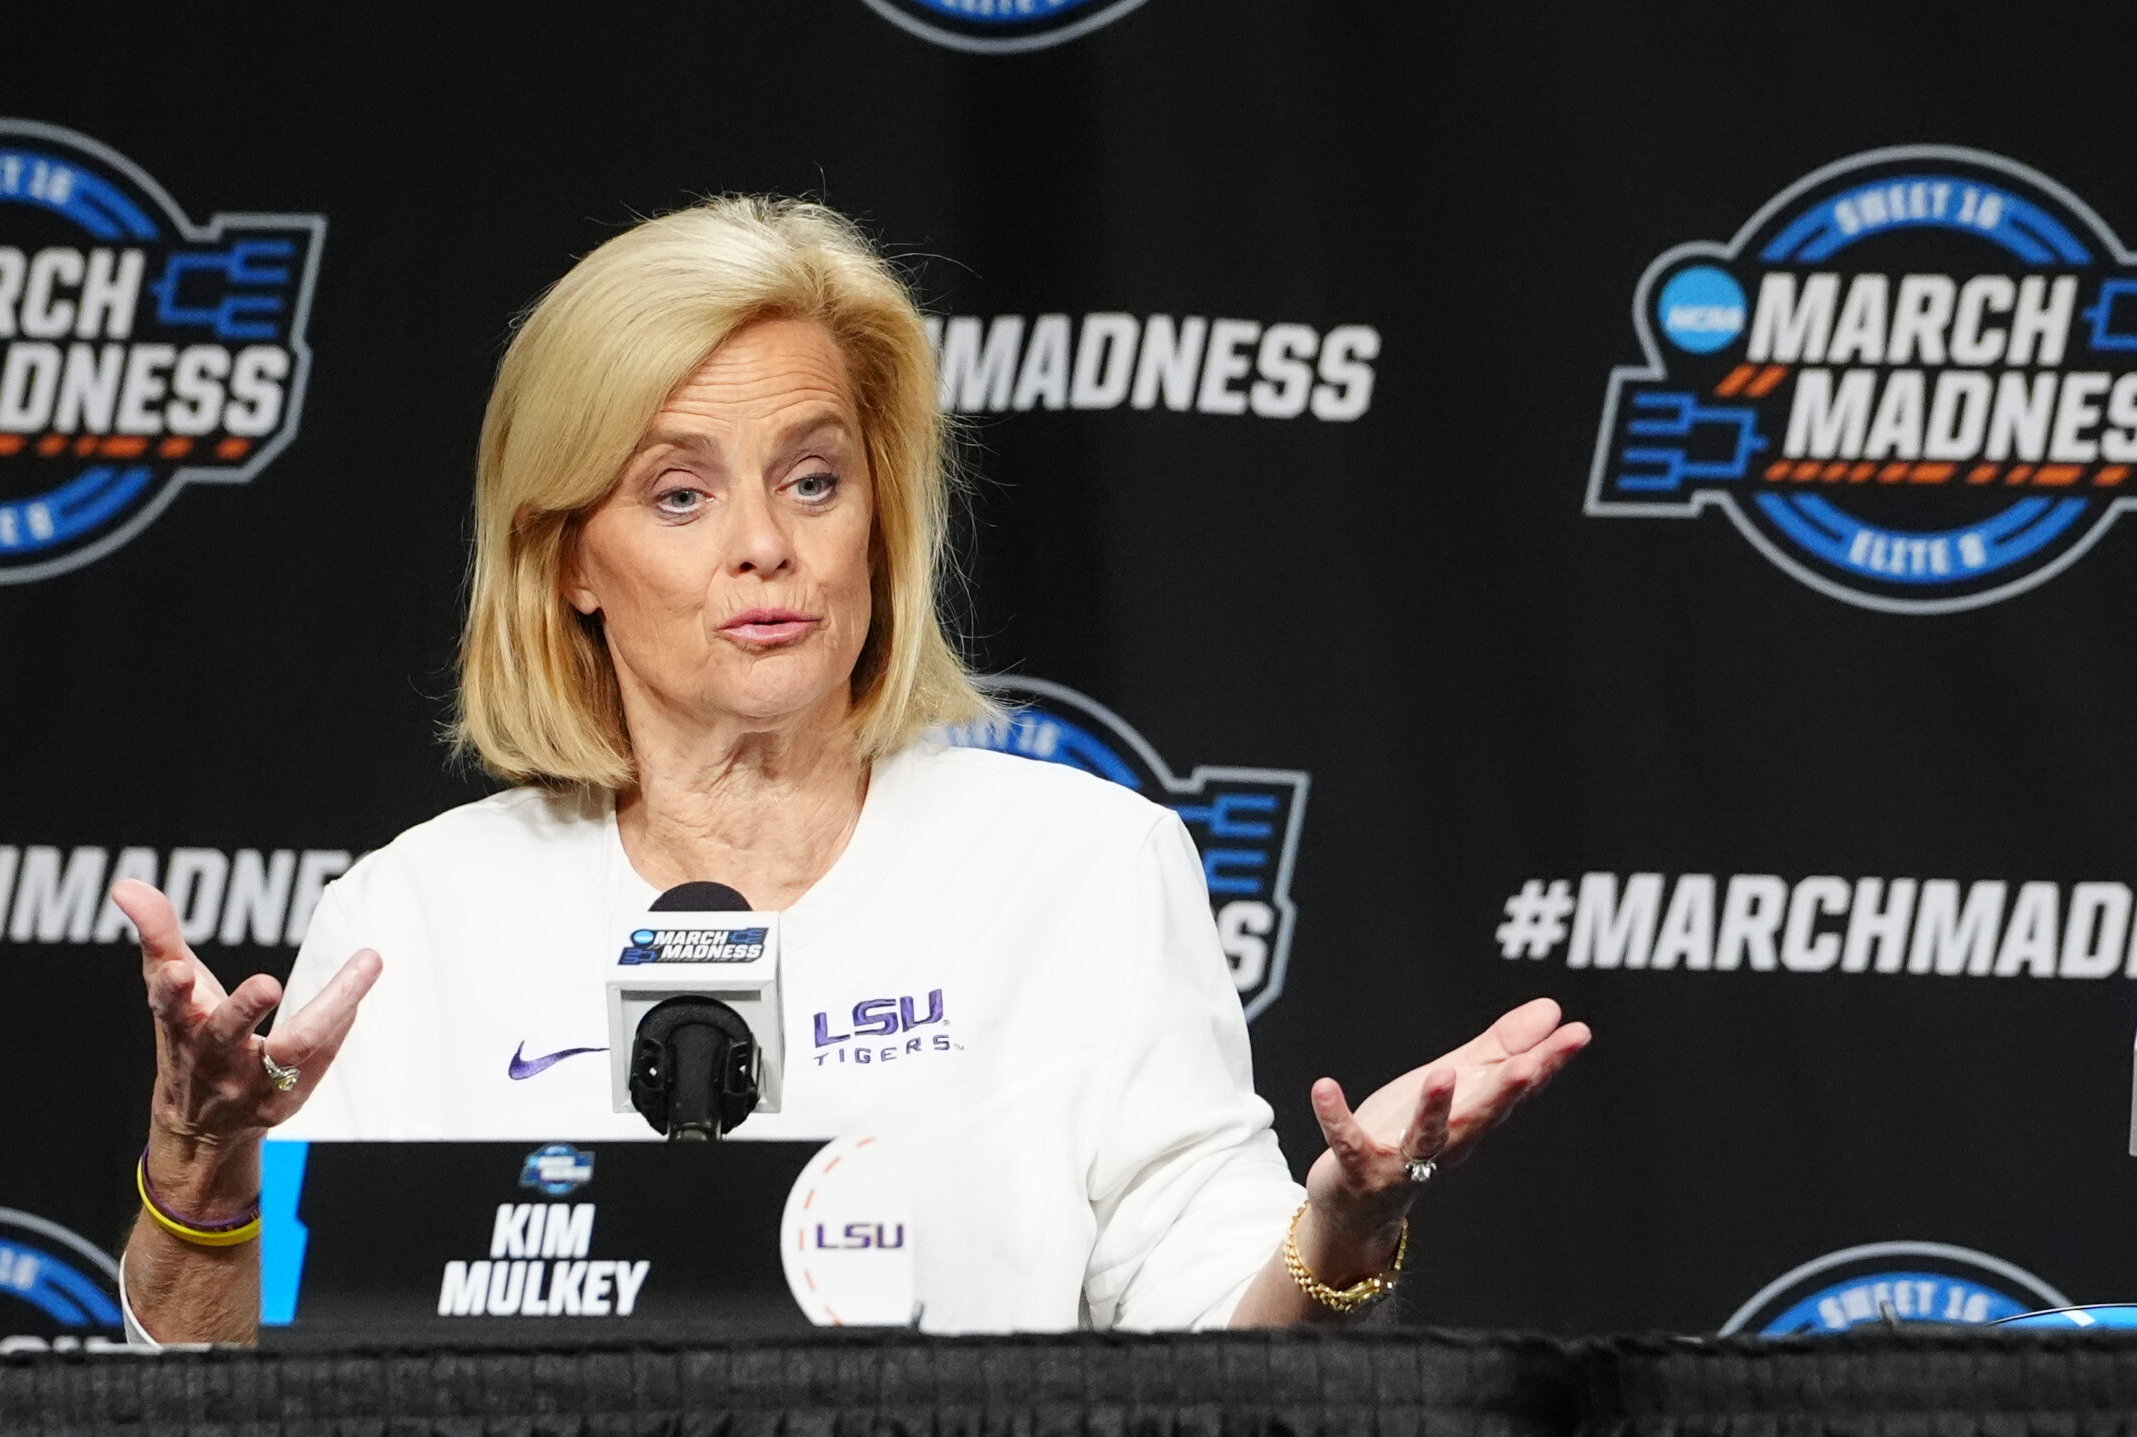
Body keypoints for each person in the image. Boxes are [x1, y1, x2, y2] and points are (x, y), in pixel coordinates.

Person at [111, 197, 1589, 1345]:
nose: (767, 541)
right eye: (681, 493)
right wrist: (199, 1174)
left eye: (814, 478)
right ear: (569, 556)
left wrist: (1338, 1237)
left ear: (877, 519)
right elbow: (233, 1379)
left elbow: (1221, 1345)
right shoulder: (418, 915)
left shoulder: (1086, 867)